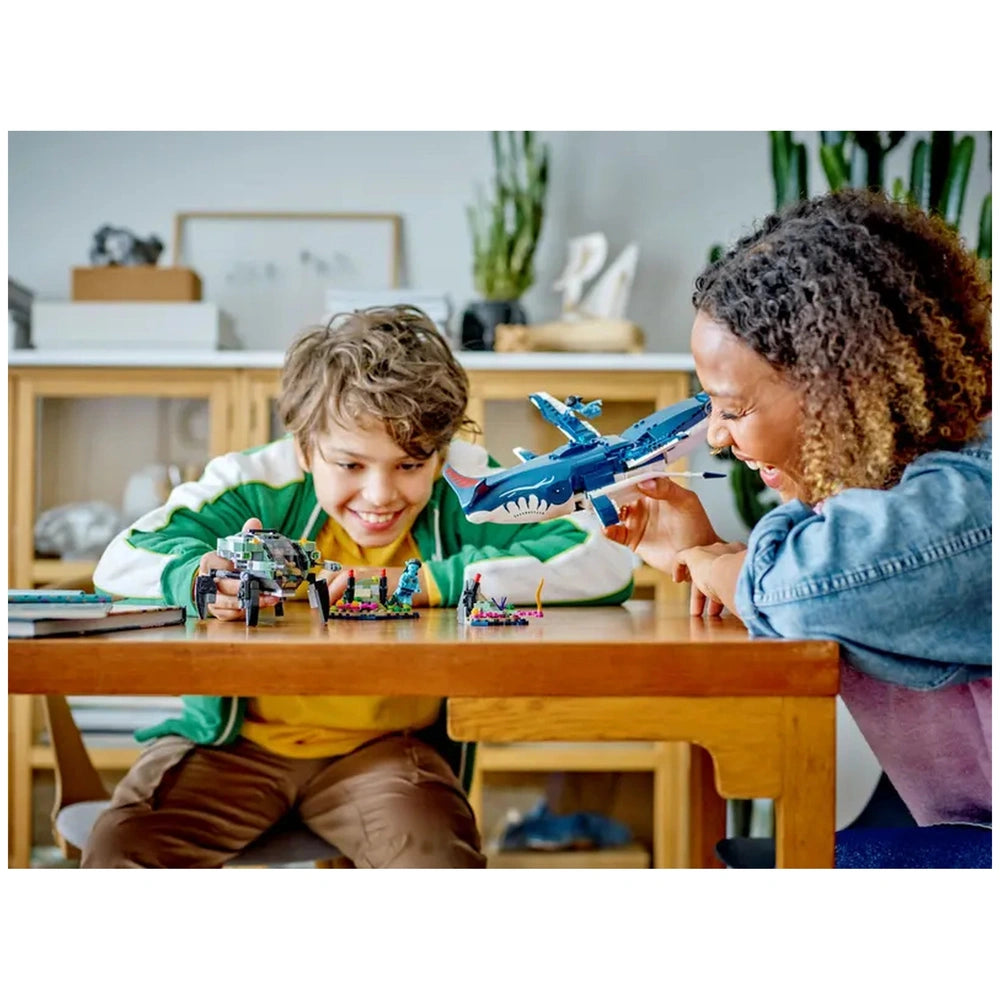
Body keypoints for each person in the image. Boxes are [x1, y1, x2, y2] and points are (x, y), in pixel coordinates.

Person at [88, 305, 635, 868]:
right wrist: (199, 575)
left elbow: (604, 559)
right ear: (305, 449)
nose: (379, 496)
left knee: (438, 864)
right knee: (120, 852)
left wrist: (426, 583)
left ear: (441, 452)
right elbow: (121, 557)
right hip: (232, 744)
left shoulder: (469, 481)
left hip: (389, 753)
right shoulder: (253, 482)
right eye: (350, 465)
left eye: (409, 464)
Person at [605, 189, 991, 856]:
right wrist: (707, 558)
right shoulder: (900, 493)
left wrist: (719, 565)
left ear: (841, 387)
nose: (719, 439)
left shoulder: (970, 500)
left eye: (732, 409)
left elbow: (799, 590)